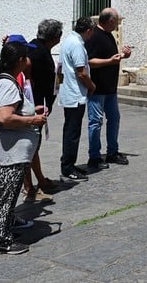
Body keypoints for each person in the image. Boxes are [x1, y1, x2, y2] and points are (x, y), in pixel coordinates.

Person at [0, 39, 48, 255]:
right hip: (9, 152)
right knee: (7, 195)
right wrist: (33, 121)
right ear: (21, 60)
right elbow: (5, 117)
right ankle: (1, 241)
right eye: (27, 57)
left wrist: (30, 110)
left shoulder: (0, 81)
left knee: (0, 194)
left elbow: (10, 110)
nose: (29, 61)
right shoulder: (8, 84)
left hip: (3, 151)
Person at [85, 8, 132, 169]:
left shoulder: (109, 35)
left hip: (110, 88)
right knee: (95, 122)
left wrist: (123, 56)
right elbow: (89, 61)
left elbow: (110, 57)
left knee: (114, 119)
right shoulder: (94, 36)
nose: (118, 25)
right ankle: (95, 156)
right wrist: (110, 61)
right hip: (97, 89)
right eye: (117, 22)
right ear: (110, 21)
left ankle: (112, 152)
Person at [22, 20, 62, 201]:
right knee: (28, 148)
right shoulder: (35, 53)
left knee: (34, 147)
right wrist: (33, 105)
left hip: (38, 107)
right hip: (33, 109)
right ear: (55, 37)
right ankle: (28, 189)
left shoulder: (36, 47)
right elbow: (28, 79)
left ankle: (40, 180)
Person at [58, 17, 96, 182]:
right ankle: (68, 167)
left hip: (71, 93)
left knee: (71, 131)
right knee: (72, 132)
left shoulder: (69, 40)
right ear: (88, 30)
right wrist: (91, 86)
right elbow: (81, 72)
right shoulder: (77, 44)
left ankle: (69, 163)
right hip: (75, 95)